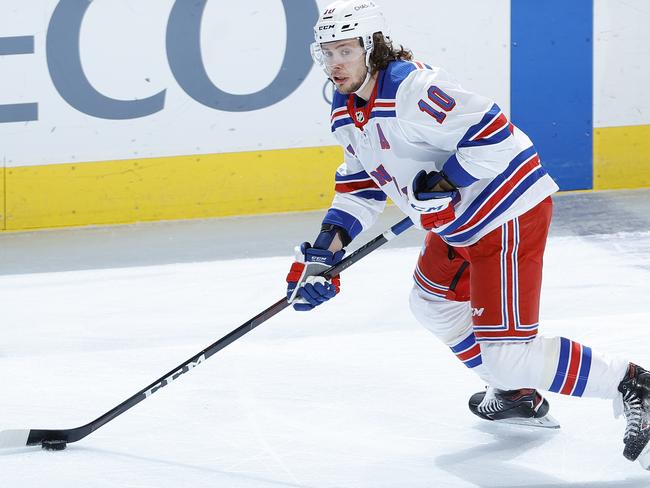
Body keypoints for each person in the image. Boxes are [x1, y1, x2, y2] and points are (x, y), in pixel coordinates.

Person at [285, 0, 650, 468]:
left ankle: (631, 381)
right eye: (327, 51)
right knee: (432, 302)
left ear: (371, 47)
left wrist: (445, 181)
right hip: (457, 226)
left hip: (506, 214)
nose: (335, 63)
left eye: (345, 50)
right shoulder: (344, 106)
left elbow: (495, 136)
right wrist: (324, 254)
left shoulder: (413, 88)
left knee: (508, 355)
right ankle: (515, 394)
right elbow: (361, 186)